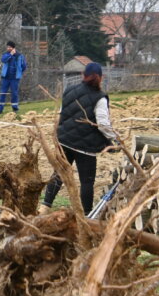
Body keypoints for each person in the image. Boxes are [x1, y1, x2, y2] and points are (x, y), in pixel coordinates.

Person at [42, 61, 118, 214]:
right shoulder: (100, 98)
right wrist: (114, 139)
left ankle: (45, 206)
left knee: (59, 173)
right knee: (87, 182)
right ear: (101, 78)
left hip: (64, 141)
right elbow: (103, 124)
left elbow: (62, 114)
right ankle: (88, 215)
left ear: (83, 75)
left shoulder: (69, 90)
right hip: (86, 147)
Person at [0, 40, 27, 114]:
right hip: (6, 78)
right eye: (7, 47)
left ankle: (15, 109)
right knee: (3, 93)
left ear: (13, 48)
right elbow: (3, 60)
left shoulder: (19, 56)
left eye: (9, 47)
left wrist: (19, 72)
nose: (8, 48)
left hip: (14, 78)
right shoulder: (6, 54)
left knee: (14, 93)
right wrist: (10, 55)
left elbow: (24, 66)